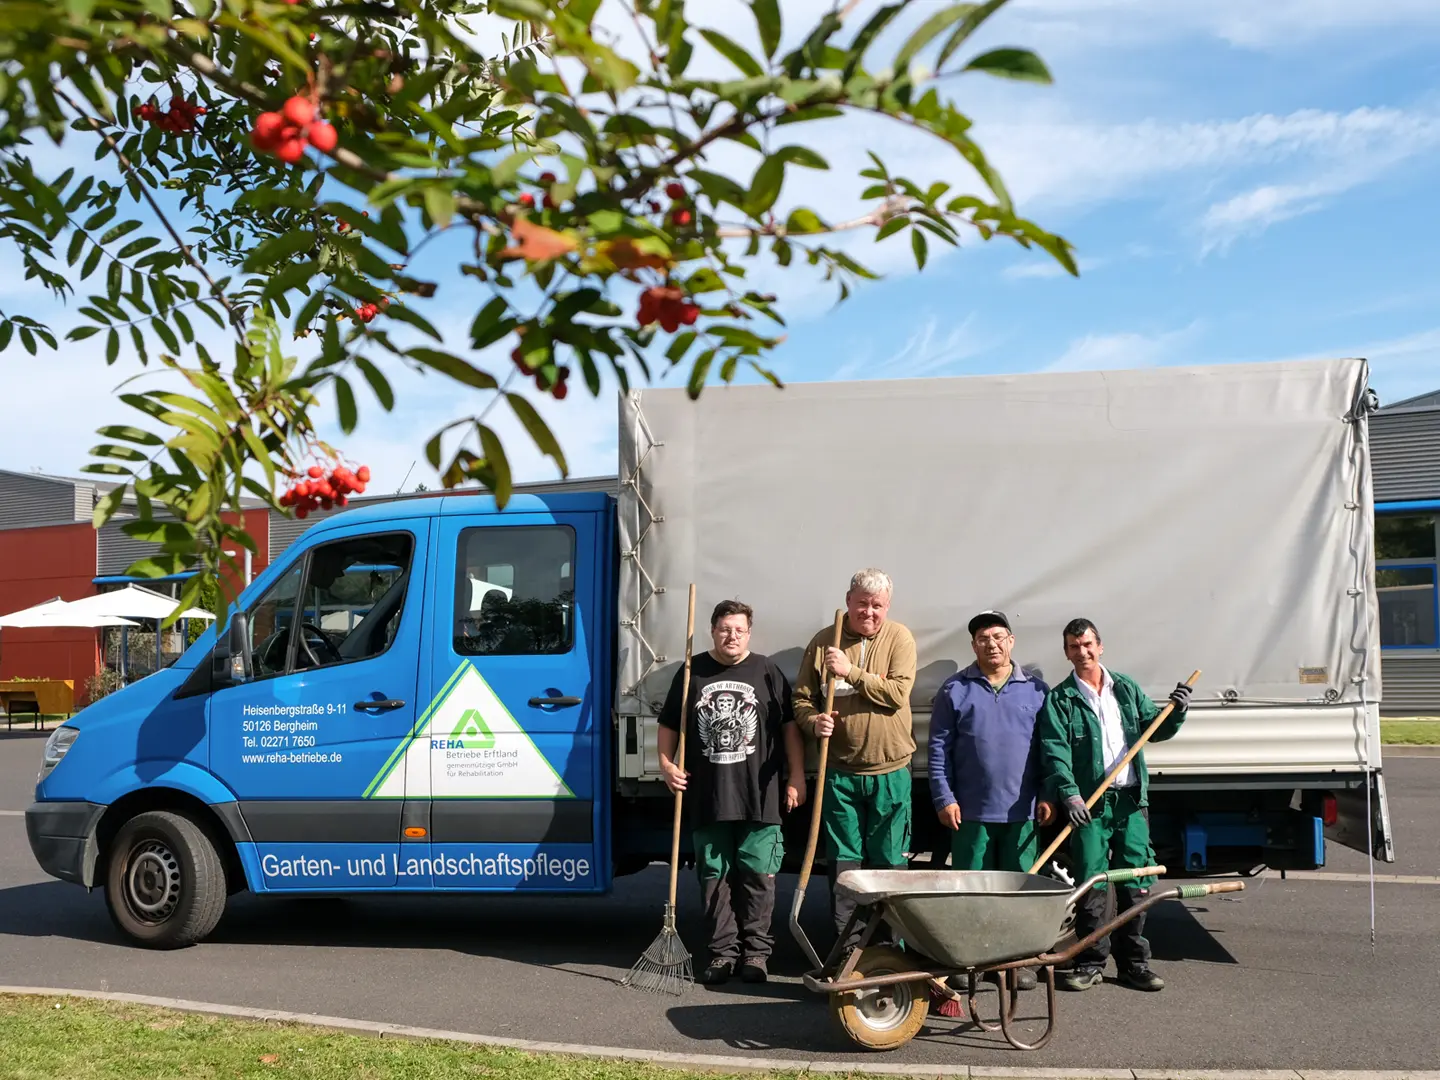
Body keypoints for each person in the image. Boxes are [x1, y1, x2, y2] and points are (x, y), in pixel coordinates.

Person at [1036, 618, 1192, 992]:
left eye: (1087, 644)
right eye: (1074, 647)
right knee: (1093, 884)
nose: (1082, 652)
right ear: (1066, 652)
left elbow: (1156, 728)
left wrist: (1178, 711)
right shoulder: (1061, 700)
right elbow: (1055, 753)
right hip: (1091, 806)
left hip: (1130, 803)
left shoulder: (1124, 688)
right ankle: (1090, 961)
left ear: (1100, 646)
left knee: (1136, 883)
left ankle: (1134, 964)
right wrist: (1070, 794)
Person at [658, 599, 807, 986]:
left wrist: (797, 777)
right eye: (725, 629)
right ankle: (723, 954)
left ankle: (756, 954)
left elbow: (789, 726)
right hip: (708, 795)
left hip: (760, 795)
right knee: (714, 878)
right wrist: (666, 764)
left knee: (759, 877)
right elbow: (669, 723)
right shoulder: (692, 672)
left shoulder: (766, 669)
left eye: (739, 629)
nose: (732, 636)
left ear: (749, 633)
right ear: (713, 630)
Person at [794, 568, 917, 947]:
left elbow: (897, 693)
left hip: (890, 769)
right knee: (845, 863)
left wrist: (852, 672)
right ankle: (849, 943)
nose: (869, 612)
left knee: (889, 860)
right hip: (840, 772)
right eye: (862, 603)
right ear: (848, 601)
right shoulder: (824, 641)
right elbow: (800, 700)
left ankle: (888, 945)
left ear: (887, 606)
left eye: (877, 605)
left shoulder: (899, 637)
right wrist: (815, 722)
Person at [928, 610, 1049, 990]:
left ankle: (1016, 963)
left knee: (1018, 893)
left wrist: (1048, 794)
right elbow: (937, 749)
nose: (992, 644)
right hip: (970, 814)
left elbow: (1050, 751)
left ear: (1011, 641)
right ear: (973, 645)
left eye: (998, 637)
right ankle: (970, 963)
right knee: (970, 893)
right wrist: (943, 797)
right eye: (983, 639)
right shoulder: (955, 689)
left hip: (1023, 813)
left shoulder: (1037, 691)